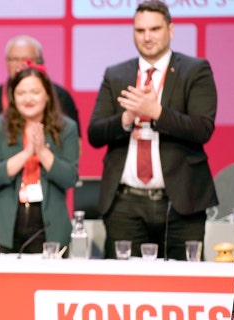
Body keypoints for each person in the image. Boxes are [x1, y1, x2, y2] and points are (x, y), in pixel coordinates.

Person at [87, 0, 218, 260]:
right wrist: (127, 117)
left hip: (181, 204)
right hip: (126, 204)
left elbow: (202, 128)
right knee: (124, 289)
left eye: (155, 29)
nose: (147, 37)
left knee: (184, 287)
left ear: (170, 30)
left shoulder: (195, 70)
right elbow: (95, 133)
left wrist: (155, 111)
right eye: (140, 30)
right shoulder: (116, 74)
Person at [0, 62, 79, 254]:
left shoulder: (67, 128)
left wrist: (41, 151)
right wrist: (26, 153)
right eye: (21, 93)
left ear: (47, 94)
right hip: (3, 223)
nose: (28, 98)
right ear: (13, 97)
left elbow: (69, 178)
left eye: (35, 92)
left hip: (47, 225)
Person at [0, 35, 80, 178]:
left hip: (49, 184)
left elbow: (74, 148)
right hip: (6, 188)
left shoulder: (61, 97)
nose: (20, 64)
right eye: (13, 59)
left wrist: (43, 153)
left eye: (27, 59)